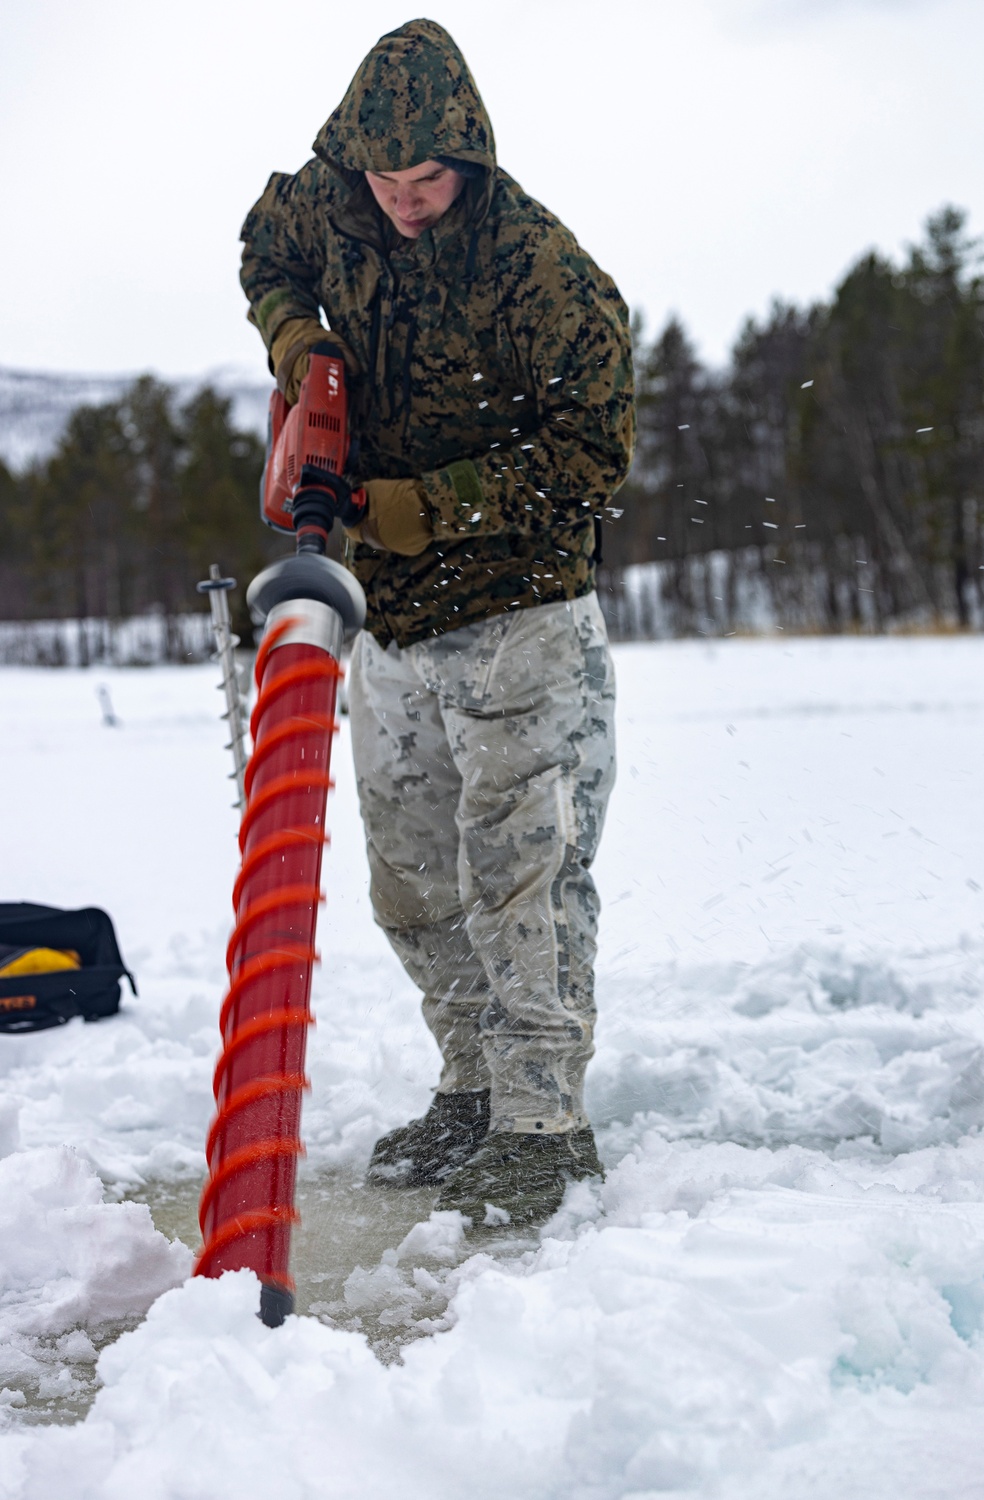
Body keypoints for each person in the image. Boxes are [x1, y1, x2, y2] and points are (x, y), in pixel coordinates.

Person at [240, 18, 633, 1226]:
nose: (406, 204)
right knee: (411, 885)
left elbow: (591, 456)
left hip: (520, 613)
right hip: (392, 626)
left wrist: (419, 508)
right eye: (387, 181)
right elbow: (264, 247)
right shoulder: (330, 204)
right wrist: (297, 341)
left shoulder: (542, 271)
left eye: (430, 181)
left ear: (471, 159)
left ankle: (541, 1122)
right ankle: (469, 1087)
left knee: (524, 878)